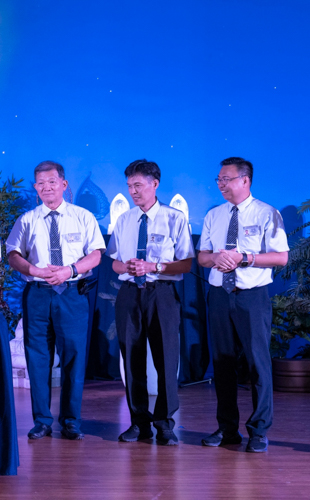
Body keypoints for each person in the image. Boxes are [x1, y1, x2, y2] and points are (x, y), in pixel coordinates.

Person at [6, 161, 105, 440]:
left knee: (74, 356)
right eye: (41, 183)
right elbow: (13, 254)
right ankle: (42, 420)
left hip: (72, 294)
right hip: (37, 294)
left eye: (52, 182)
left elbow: (96, 254)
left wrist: (69, 270)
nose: (46, 187)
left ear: (64, 184)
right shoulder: (27, 220)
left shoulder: (83, 217)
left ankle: (71, 420)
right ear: (35, 188)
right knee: (38, 357)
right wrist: (34, 269)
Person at [198, 157, 288, 453]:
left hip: (251, 296)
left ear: (245, 180)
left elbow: (281, 258)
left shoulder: (267, 213)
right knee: (222, 364)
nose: (221, 184)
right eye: (219, 180)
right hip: (219, 295)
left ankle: (259, 431)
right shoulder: (214, 215)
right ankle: (227, 429)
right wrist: (217, 258)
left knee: (257, 364)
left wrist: (244, 258)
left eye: (227, 179)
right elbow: (203, 257)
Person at [107, 159, 194, 446]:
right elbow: (114, 263)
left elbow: (184, 264)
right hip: (130, 294)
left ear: (155, 184)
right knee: (132, 359)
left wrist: (152, 267)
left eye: (138, 185)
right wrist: (128, 267)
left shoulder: (174, 218)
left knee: (166, 359)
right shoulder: (124, 220)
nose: (133, 191)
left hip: (163, 294)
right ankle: (138, 422)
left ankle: (165, 423)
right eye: (129, 186)